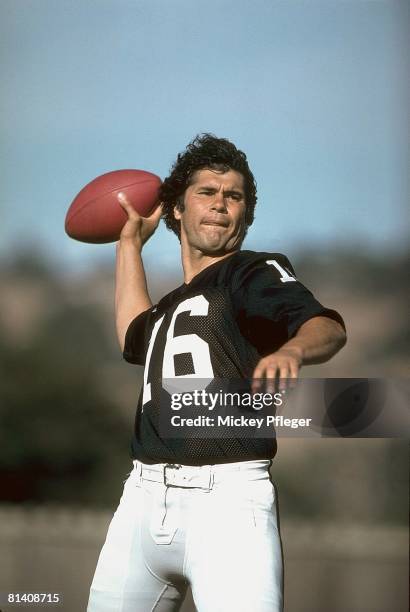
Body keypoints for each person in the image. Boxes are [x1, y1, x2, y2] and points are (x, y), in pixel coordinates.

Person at [87, 134, 346, 612]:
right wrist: (128, 245)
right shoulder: (172, 307)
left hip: (227, 501)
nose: (221, 205)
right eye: (207, 192)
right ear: (176, 210)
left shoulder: (253, 273)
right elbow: (132, 336)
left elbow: (325, 325)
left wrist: (294, 348)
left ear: (245, 214)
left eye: (234, 196)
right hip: (141, 499)